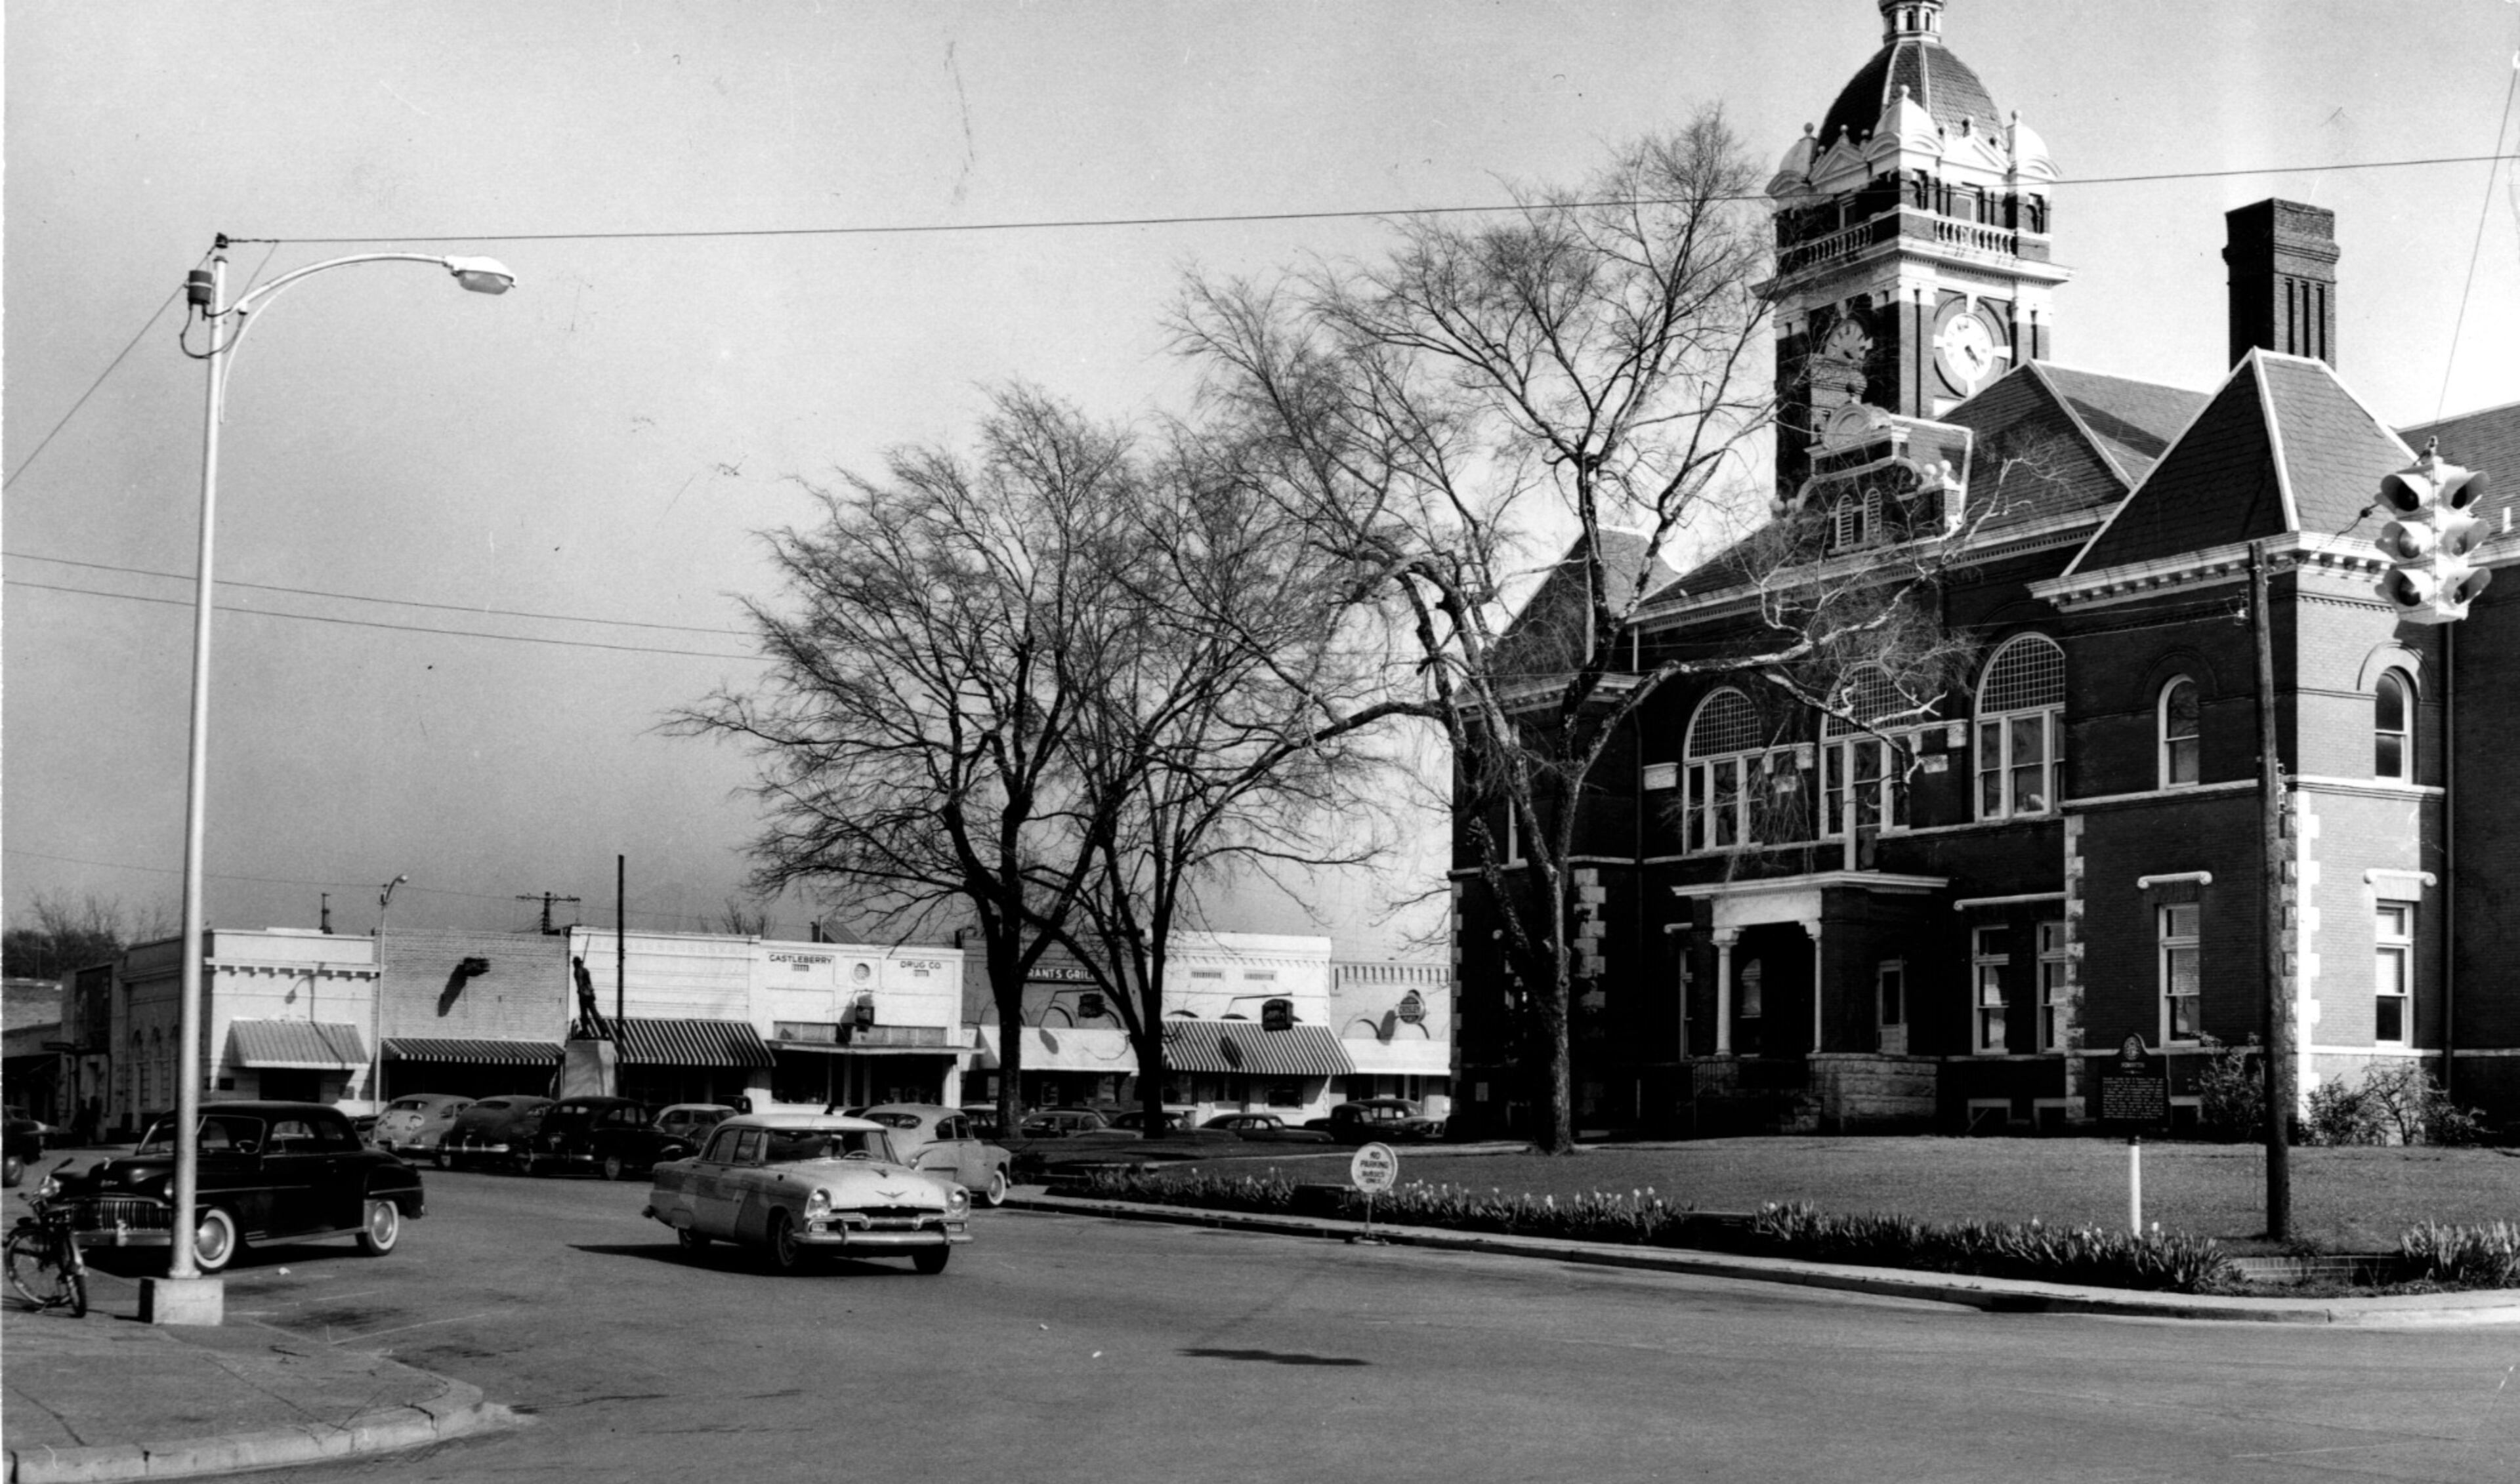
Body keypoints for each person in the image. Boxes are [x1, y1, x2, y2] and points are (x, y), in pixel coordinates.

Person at [572, 955, 609, 1040]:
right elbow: (590, 983)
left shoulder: (577, 971)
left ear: (575, 964)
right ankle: (603, 1028)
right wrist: (592, 993)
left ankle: (585, 1031)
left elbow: (579, 984)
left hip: (583, 996)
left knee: (584, 1014)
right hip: (590, 995)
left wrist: (581, 993)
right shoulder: (586, 971)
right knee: (595, 1013)